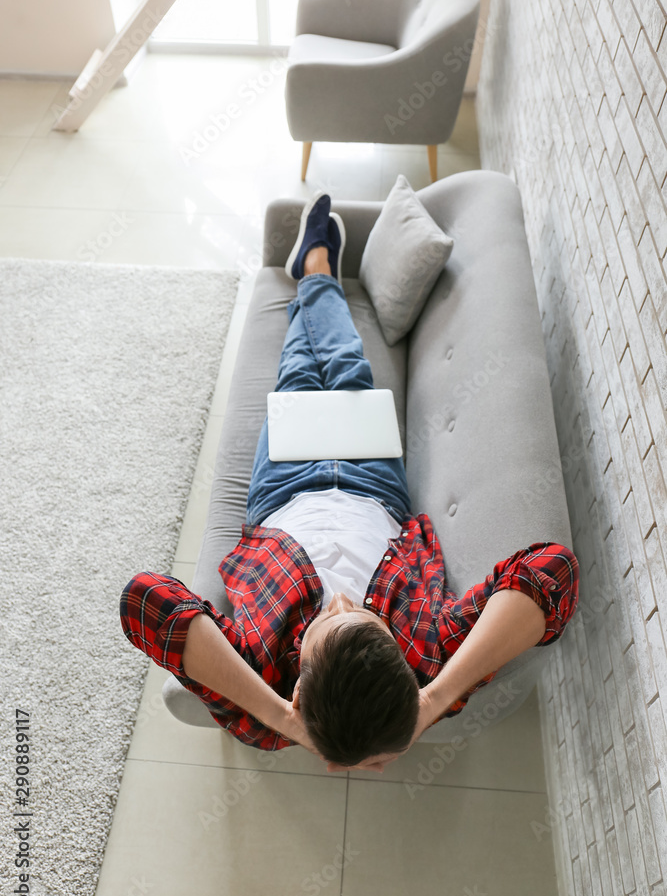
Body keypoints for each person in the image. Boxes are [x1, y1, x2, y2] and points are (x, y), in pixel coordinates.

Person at [120, 192, 579, 773]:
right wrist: (432, 701)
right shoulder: (426, 659)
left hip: (284, 487)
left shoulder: (262, 684)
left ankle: (315, 269)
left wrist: (283, 718)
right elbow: (552, 571)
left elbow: (144, 598)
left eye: (328, 622)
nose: (340, 598)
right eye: (364, 618)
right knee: (345, 362)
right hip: (372, 481)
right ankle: (317, 270)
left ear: (299, 688)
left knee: (297, 368)